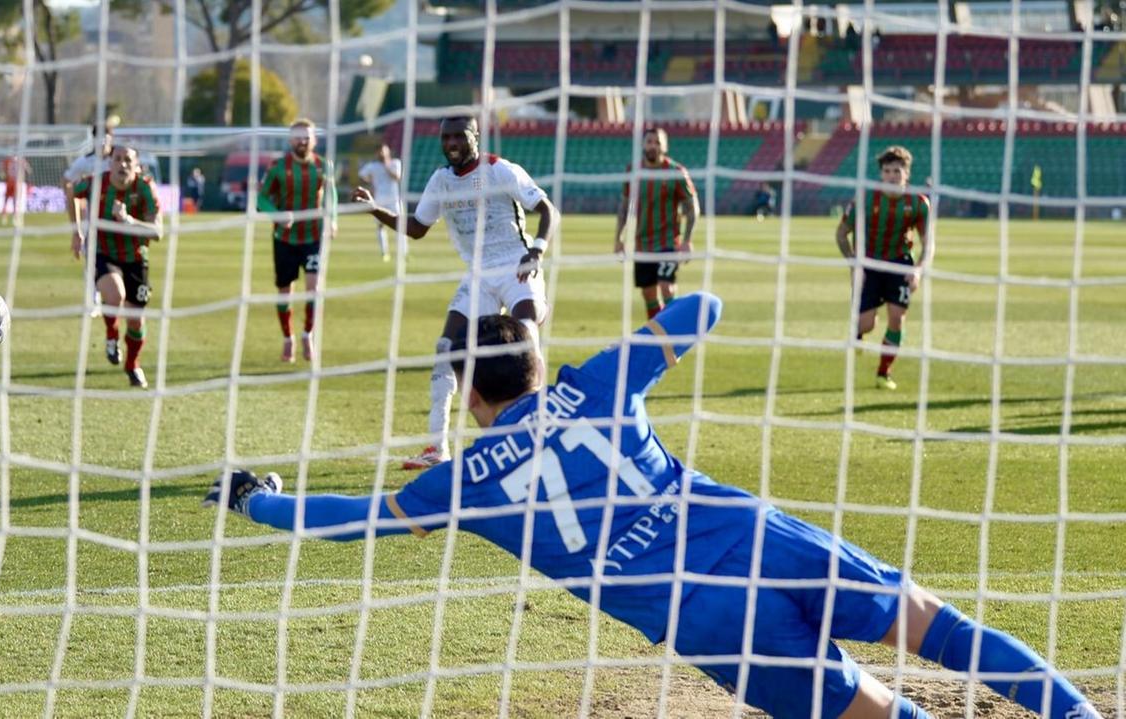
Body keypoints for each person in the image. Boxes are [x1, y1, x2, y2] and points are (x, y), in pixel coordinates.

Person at [205, 293, 1104, 719]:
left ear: (470, 397)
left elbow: (349, 522)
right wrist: (600, 367)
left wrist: (260, 500)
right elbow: (704, 306)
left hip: (704, 612)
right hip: (756, 537)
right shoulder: (594, 384)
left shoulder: (462, 483)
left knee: (867, 711)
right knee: (933, 624)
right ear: (533, 366)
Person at [351, 116, 558, 470]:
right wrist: (375, 210)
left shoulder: (500, 170)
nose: (451, 143)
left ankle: (540, 437)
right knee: (446, 348)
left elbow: (547, 210)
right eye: (445, 136)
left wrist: (536, 251)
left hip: (516, 267)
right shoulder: (440, 180)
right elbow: (417, 228)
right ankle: (436, 446)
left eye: (458, 136)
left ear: (474, 136)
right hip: (478, 275)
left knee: (526, 341)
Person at [834, 145, 933, 391]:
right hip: (868, 264)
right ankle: (858, 333)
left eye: (897, 171)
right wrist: (852, 262)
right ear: (881, 174)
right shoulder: (865, 199)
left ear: (906, 174)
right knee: (867, 324)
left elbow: (928, 244)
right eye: (887, 171)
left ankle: (883, 373)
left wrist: (919, 269)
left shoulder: (919, 204)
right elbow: (841, 234)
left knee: (897, 319)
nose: (892, 176)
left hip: (900, 264)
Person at [66, 145, 163, 389]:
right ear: (110, 164)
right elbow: (70, 191)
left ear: (136, 165)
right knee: (114, 294)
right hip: (102, 252)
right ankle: (111, 336)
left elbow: (157, 232)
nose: (122, 164)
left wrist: (128, 220)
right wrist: (76, 230)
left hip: (135, 257)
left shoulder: (145, 188)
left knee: (136, 321)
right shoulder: (95, 183)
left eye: (127, 160)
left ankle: (133, 365)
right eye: (117, 159)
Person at [258, 118, 335, 363]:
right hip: (285, 239)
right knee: (285, 292)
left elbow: (330, 196)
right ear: (290, 140)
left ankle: (307, 334)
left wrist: (332, 220)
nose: (302, 141)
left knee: (314, 290)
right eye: (298, 136)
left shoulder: (324, 166)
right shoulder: (278, 167)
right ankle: (287, 338)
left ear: (315, 140)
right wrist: (277, 215)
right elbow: (261, 199)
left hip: (314, 236)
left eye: (307, 137)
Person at [613, 127, 698, 320]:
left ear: (665, 147)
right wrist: (619, 238)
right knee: (648, 294)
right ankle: (660, 335)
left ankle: (675, 330)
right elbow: (624, 207)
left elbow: (692, 207)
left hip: (668, 242)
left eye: (658, 142)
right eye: (650, 141)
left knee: (666, 287)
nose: (653, 146)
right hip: (642, 244)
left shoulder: (676, 172)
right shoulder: (633, 171)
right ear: (643, 145)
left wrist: (687, 240)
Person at [64, 121, 118, 317]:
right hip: (93, 221)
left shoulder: (119, 160)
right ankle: (93, 300)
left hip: (119, 220)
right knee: (92, 261)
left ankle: (117, 295)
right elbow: (67, 181)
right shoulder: (85, 162)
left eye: (106, 139)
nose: (103, 143)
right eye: (99, 139)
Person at [356, 143, 403, 261]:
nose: (382, 153)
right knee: (380, 226)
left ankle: (403, 253)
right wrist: (370, 180)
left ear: (388, 152)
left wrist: (386, 165)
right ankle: (384, 253)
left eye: (384, 151)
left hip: (394, 199)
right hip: (379, 199)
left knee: (400, 226)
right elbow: (361, 175)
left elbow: (397, 177)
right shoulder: (373, 166)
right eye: (380, 151)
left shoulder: (395, 163)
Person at [0, 153, 32, 224]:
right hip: (16, 182)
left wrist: (3, 175)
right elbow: (29, 169)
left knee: (6, 200)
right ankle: (14, 217)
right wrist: (26, 173)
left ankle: (4, 217)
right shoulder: (21, 160)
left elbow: (0, 168)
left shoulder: (8, 160)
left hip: (9, 182)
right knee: (14, 200)